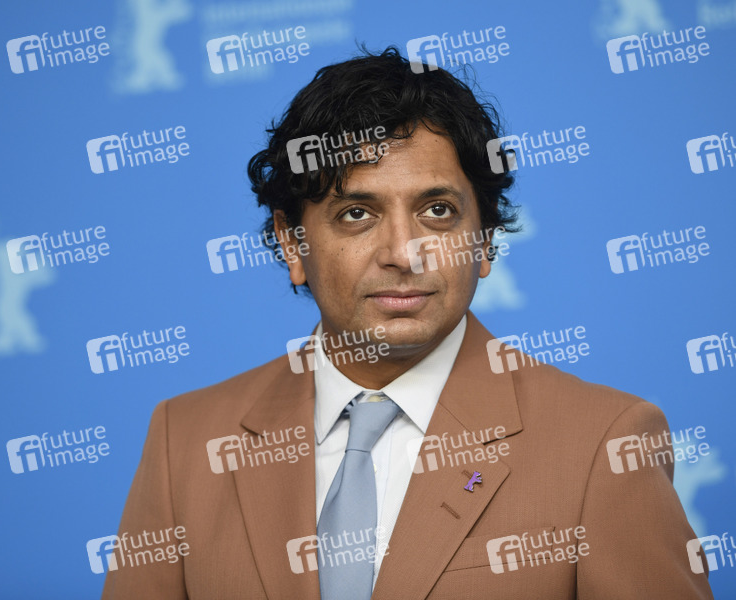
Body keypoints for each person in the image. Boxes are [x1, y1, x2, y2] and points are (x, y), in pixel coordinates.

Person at [102, 47, 713, 599]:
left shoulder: (605, 443)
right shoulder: (184, 441)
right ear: (292, 243)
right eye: (356, 213)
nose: (403, 252)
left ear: (484, 239)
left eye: (438, 210)